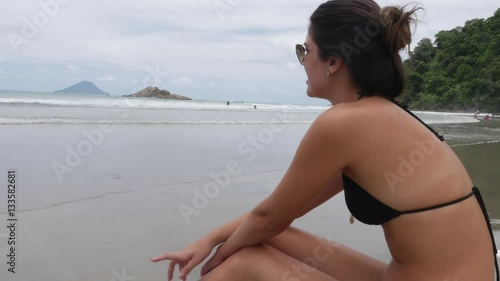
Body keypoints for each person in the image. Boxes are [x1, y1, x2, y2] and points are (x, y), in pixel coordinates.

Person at [151, 0, 499, 280]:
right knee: (256, 240)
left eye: (306, 50)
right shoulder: (384, 116)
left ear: (333, 61)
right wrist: (209, 240)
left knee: (239, 265)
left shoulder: (342, 124)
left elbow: (269, 218)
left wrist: (215, 261)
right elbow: (274, 217)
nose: (302, 61)